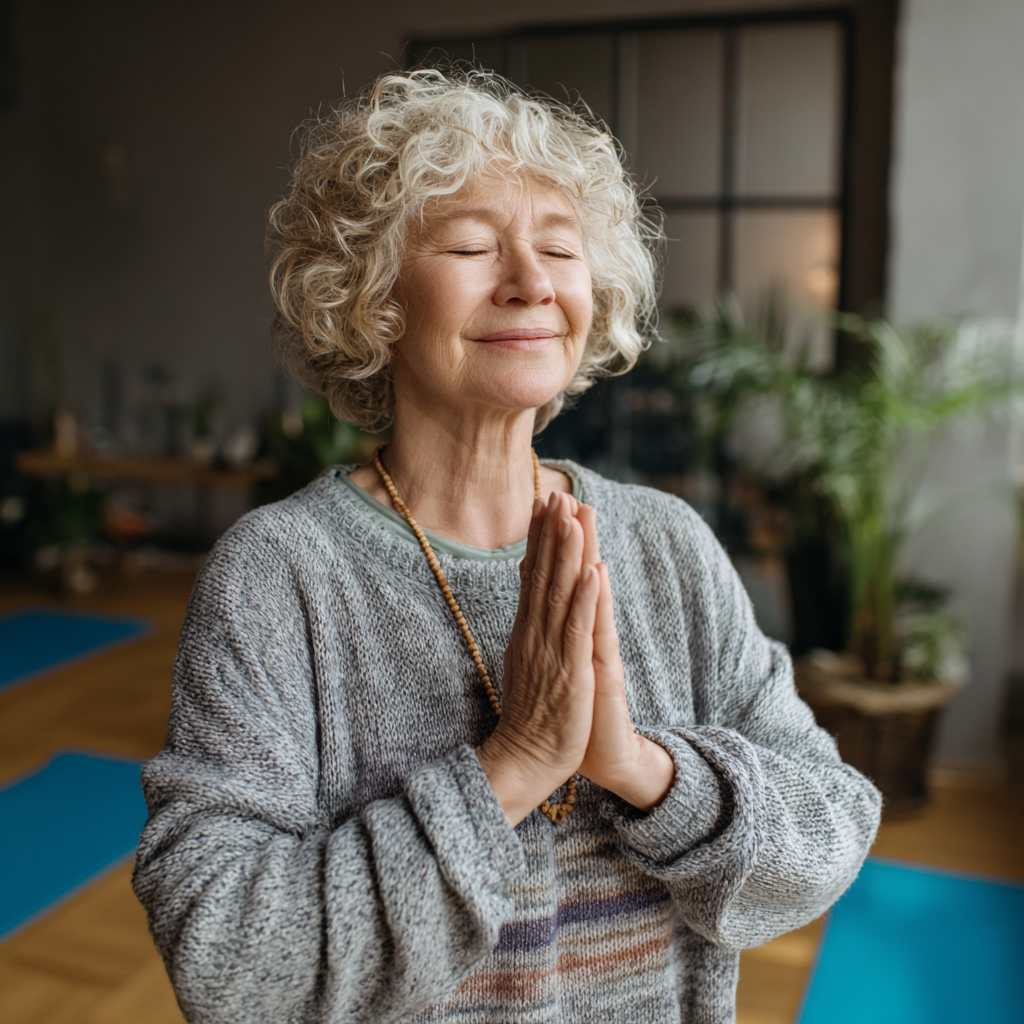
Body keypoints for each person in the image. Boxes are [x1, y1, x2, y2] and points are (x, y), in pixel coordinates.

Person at [133, 69, 880, 1024]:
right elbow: (226, 961)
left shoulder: (666, 546)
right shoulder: (281, 576)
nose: (531, 283)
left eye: (560, 249)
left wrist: (642, 769)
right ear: (372, 297)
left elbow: (834, 826)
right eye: (474, 246)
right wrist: (515, 762)